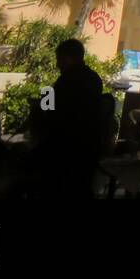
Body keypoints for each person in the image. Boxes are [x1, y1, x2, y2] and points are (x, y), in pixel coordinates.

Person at [35, 38, 104, 198]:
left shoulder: (68, 81)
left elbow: (51, 111)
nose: (58, 64)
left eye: (61, 59)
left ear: (72, 58)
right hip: (87, 147)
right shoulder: (93, 78)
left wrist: (42, 103)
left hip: (67, 148)